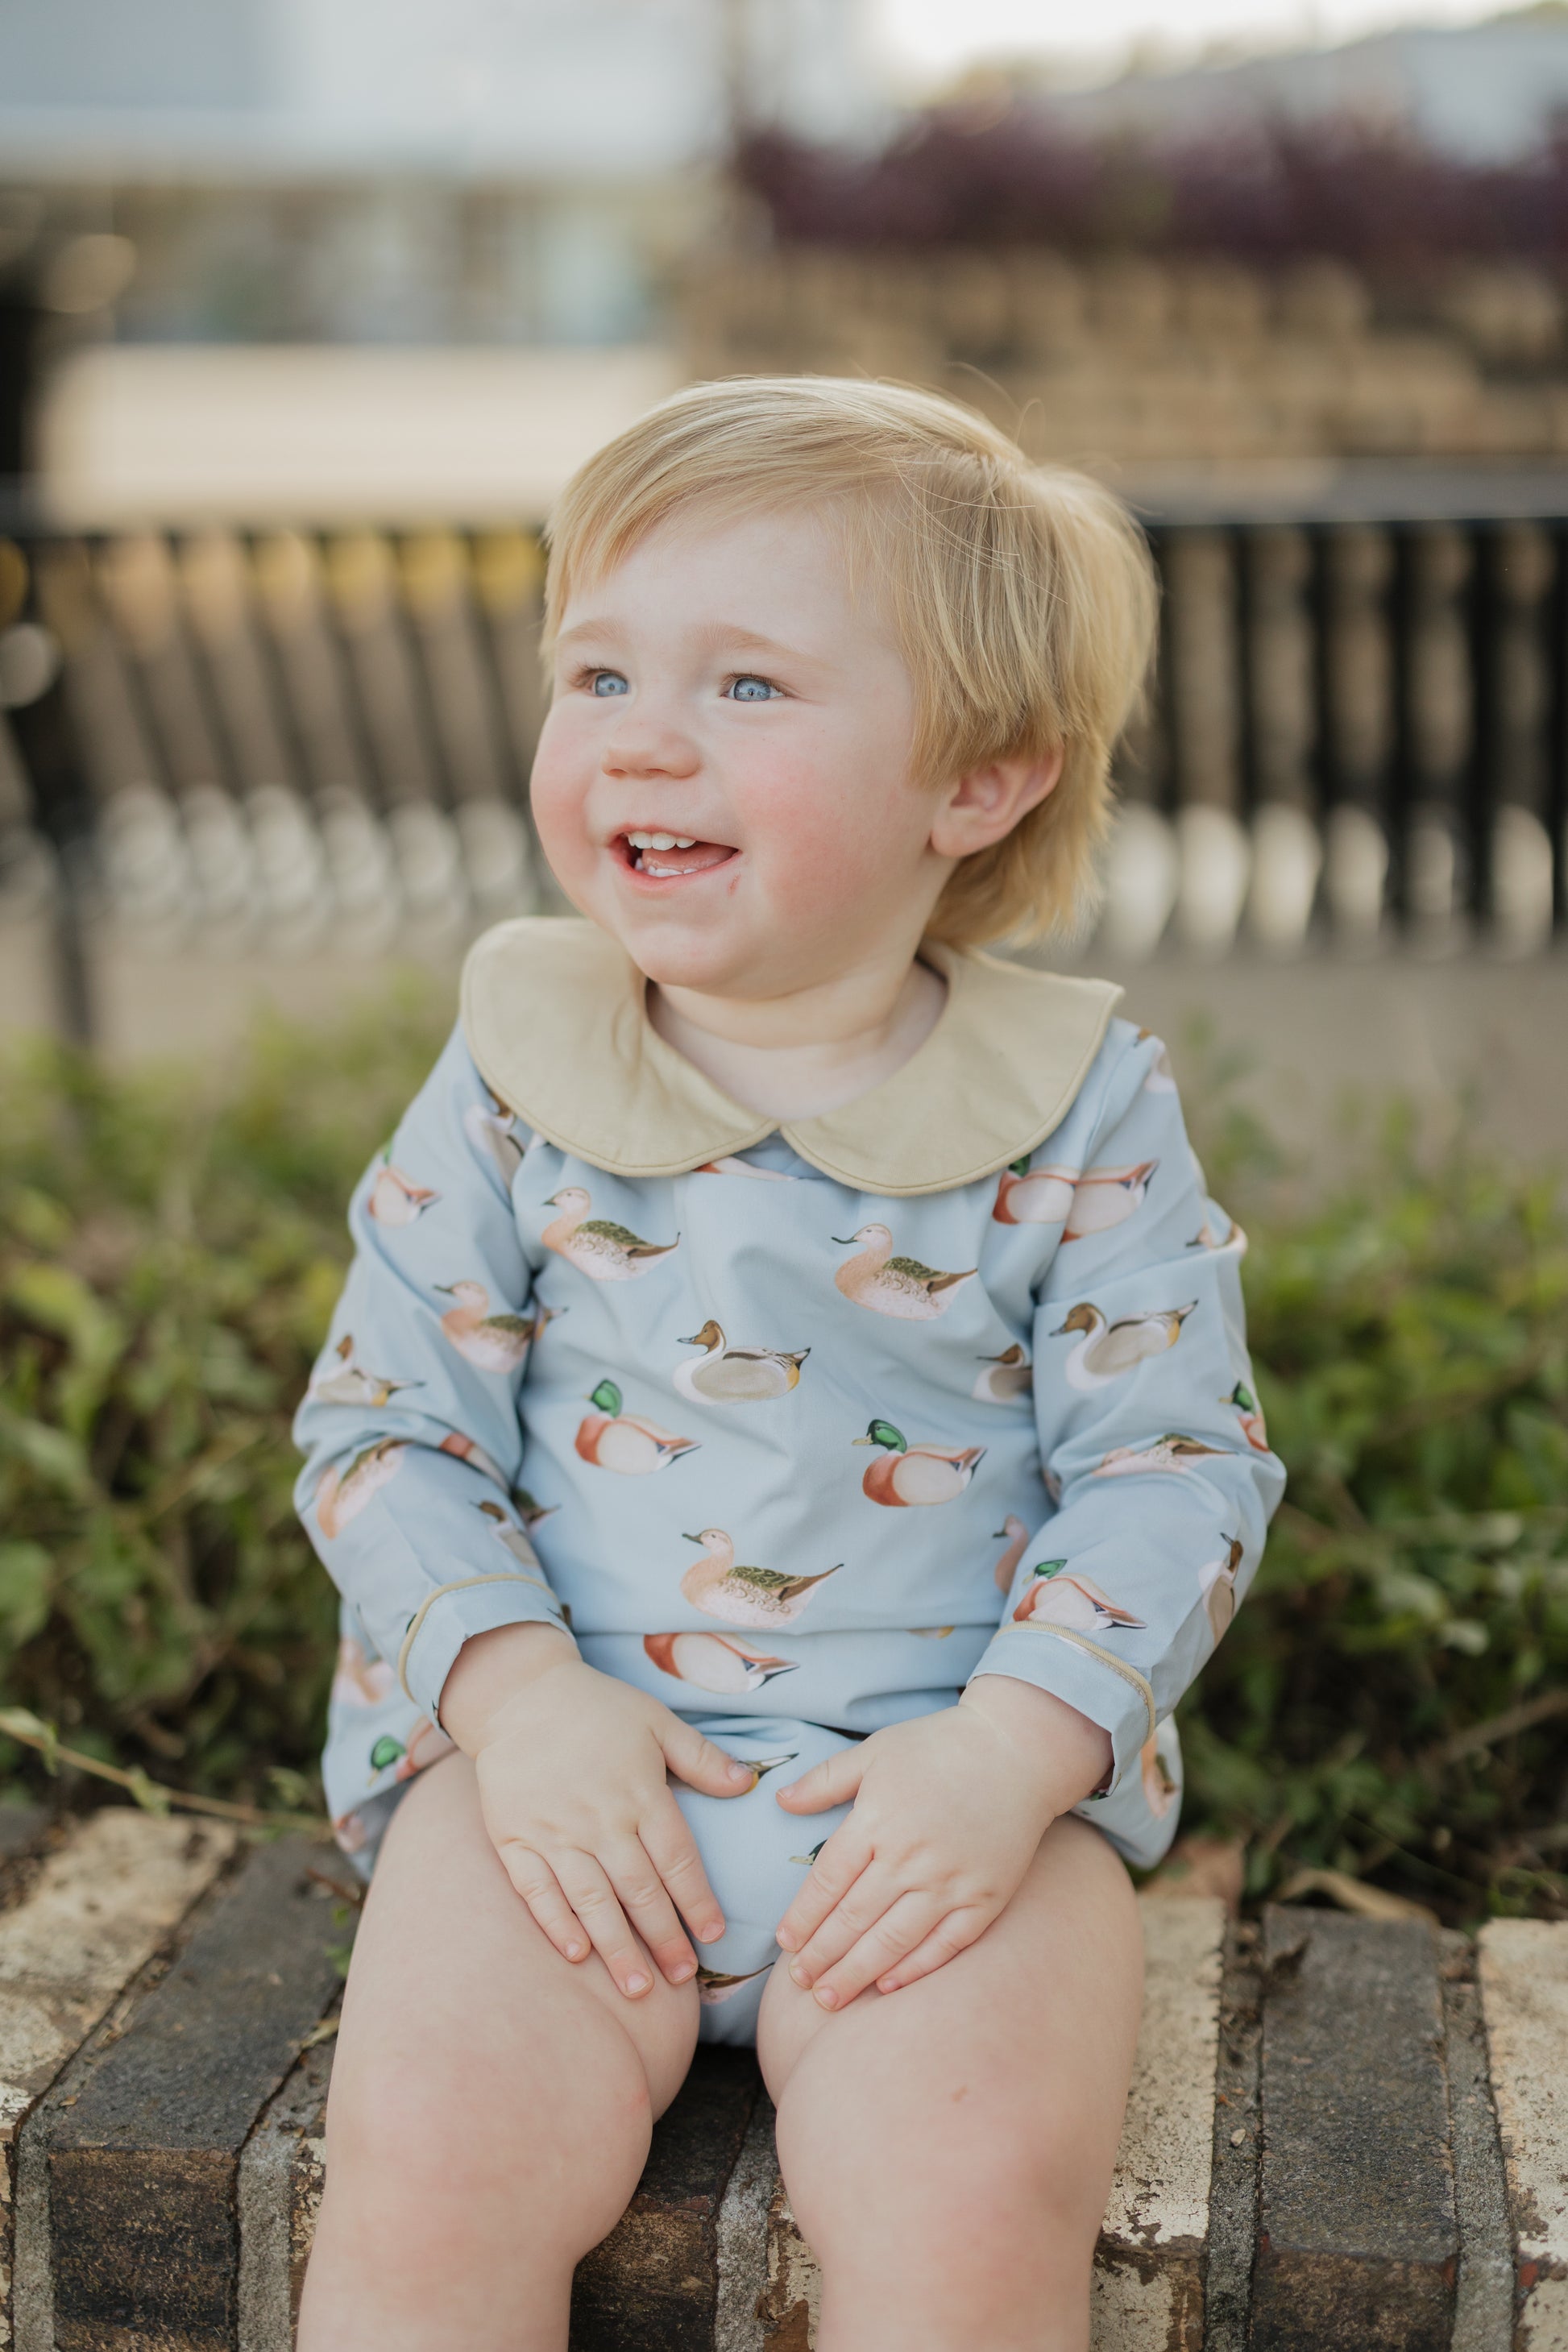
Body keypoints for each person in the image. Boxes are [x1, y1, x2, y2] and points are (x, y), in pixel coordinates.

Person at [292, 375, 1285, 2352]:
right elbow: (383, 1426)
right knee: (430, 2153)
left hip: (935, 1811)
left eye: (748, 686)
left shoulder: (1071, 1101)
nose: (643, 733)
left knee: (974, 2185)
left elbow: (1176, 1465)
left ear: (979, 779)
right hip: (555, 1787)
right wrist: (513, 1697)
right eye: (598, 670)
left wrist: (1010, 1756)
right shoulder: (519, 1068)